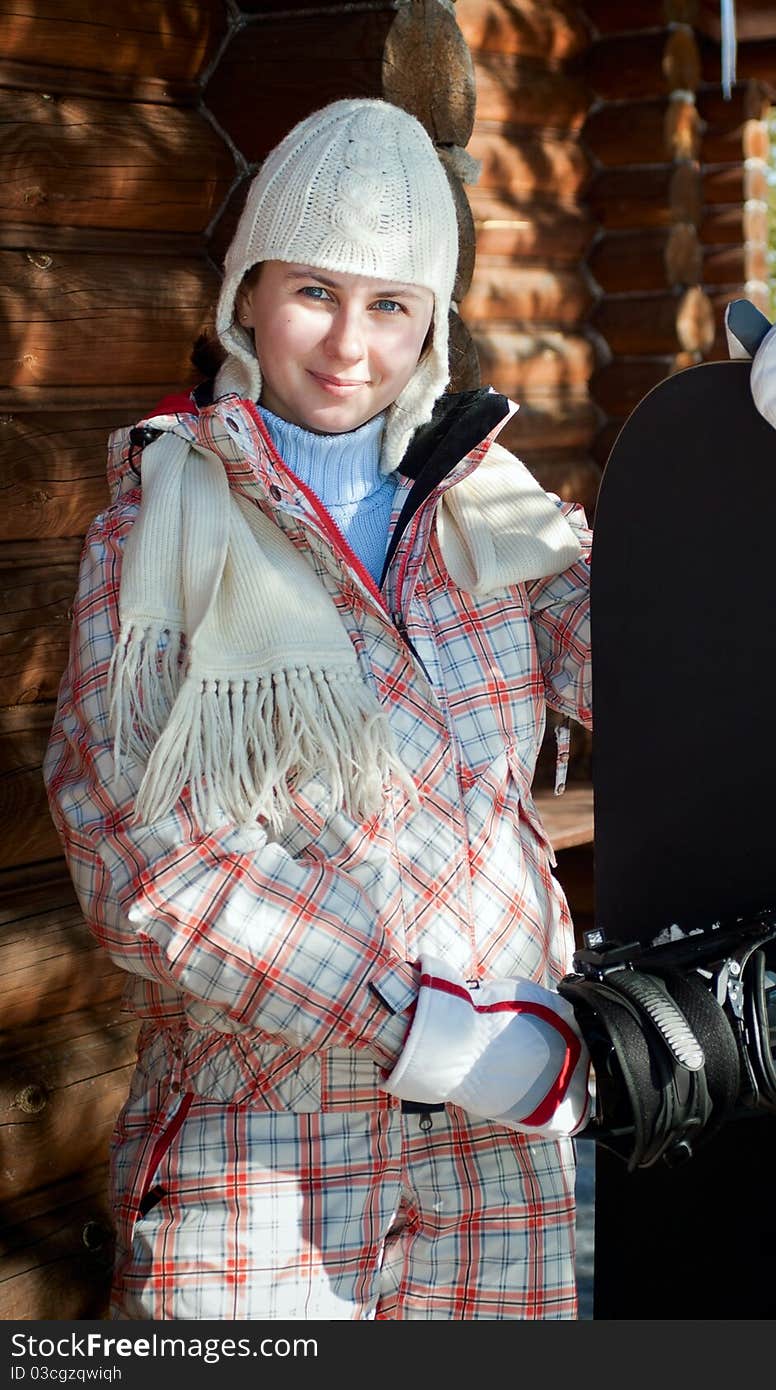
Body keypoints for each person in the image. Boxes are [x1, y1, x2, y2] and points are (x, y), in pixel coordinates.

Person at [43, 97, 595, 1321]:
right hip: (269, 1149)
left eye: (391, 305)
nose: (350, 344)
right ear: (245, 293)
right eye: (313, 291)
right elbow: (137, 855)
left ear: (432, 324)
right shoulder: (155, 526)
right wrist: (428, 1027)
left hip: (494, 1154)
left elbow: (661, 673)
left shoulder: (489, 508)